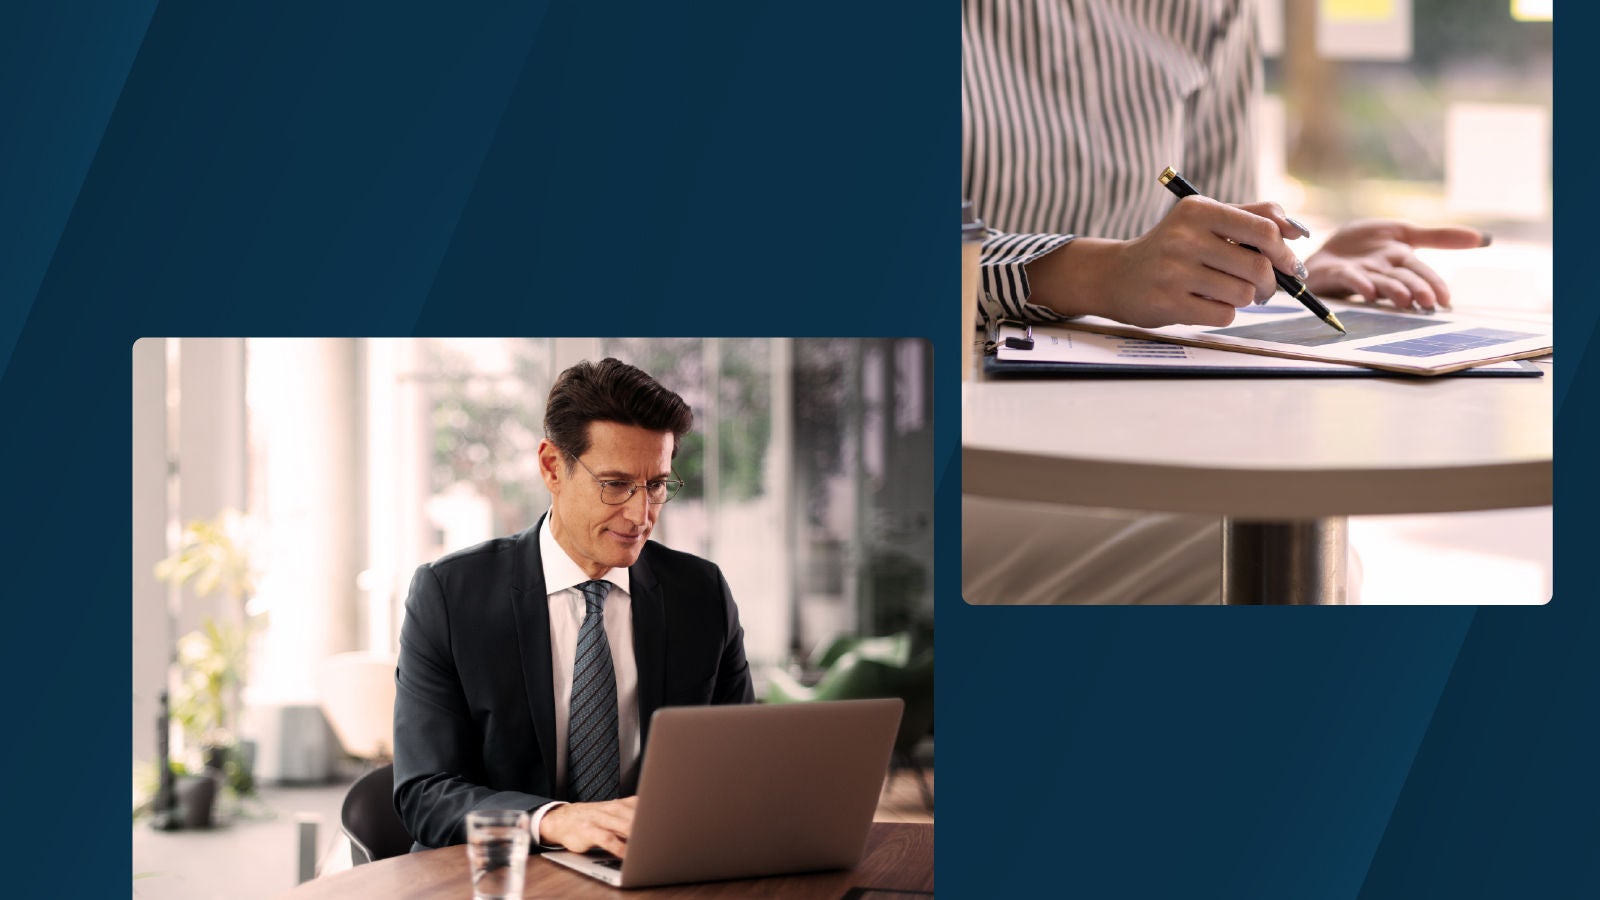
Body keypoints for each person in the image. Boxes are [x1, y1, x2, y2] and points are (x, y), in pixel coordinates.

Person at [961, 0, 1486, 603]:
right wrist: (1098, 274)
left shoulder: (1209, 10)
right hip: (933, 438)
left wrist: (1285, 270)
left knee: (1290, 541)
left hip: (1135, 430)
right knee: (1248, 561)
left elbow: (1214, 220)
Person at [393, 358, 754, 855]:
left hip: (654, 872)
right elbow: (424, 792)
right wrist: (553, 821)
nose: (640, 514)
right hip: (500, 876)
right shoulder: (450, 597)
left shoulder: (701, 594)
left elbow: (742, 766)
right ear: (551, 467)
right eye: (615, 484)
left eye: (655, 485)